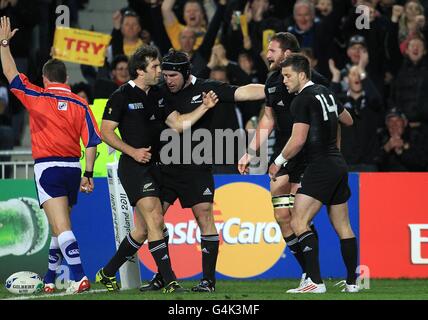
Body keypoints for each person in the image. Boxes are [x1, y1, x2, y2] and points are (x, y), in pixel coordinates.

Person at [95, 45, 218, 294]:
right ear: (140, 70)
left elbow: (178, 124)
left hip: (156, 167)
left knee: (143, 228)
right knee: (155, 219)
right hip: (133, 166)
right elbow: (105, 132)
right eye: (155, 66)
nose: (160, 71)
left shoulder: (157, 95)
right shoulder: (121, 96)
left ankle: (106, 273)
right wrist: (132, 151)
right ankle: (169, 280)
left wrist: (204, 106)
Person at [148, 49, 265, 293]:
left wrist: (273, 90)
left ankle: (208, 281)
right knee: (154, 220)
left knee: (205, 218)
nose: (168, 80)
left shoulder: (206, 87)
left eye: (172, 76)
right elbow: (173, 122)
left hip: (196, 167)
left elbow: (241, 92)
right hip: (164, 168)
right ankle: (164, 275)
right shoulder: (159, 91)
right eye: (165, 75)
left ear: (185, 73)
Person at [0, 16, 101, 294]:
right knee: (58, 227)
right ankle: (49, 278)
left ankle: (79, 276)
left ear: (45, 79)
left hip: (48, 169)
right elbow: (92, 141)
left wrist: (4, 42)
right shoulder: (80, 102)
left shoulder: (39, 97)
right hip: (73, 169)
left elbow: (10, 72)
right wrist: (89, 173)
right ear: (67, 79)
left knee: (61, 225)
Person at [238, 32, 328, 291]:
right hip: (282, 156)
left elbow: (333, 114)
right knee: (281, 216)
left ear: (287, 55)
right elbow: (267, 118)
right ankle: (308, 273)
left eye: (273, 51)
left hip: (309, 155)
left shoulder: (314, 81)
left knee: (302, 218)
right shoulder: (272, 82)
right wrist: (250, 151)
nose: (267, 55)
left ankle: (315, 279)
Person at [268, 54, 357, 294]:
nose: (284, 81)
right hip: (338, 164)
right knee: (344, 226)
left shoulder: (301, 100)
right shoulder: (325, 92)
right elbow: (347, 119)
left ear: (302, 74)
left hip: (319, 165)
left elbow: (297, 141)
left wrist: (277, 161)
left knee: (298, 220)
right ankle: (352, 282)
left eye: (287, 76)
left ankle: (315, 282)